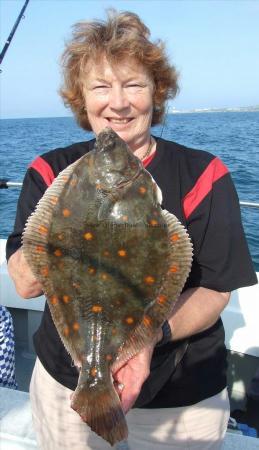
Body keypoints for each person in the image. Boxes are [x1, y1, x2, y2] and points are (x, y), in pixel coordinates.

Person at [6, 10, 257, 450]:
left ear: (157, 93)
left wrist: (144, 342)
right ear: (80, 99)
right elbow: (25, 285)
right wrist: (58, 221)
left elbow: (217, 289)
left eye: (134, 85)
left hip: (183, 398)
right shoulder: (50, 171)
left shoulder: (205, 173)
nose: (118, 103)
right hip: (66, 387)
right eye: (101, 87)